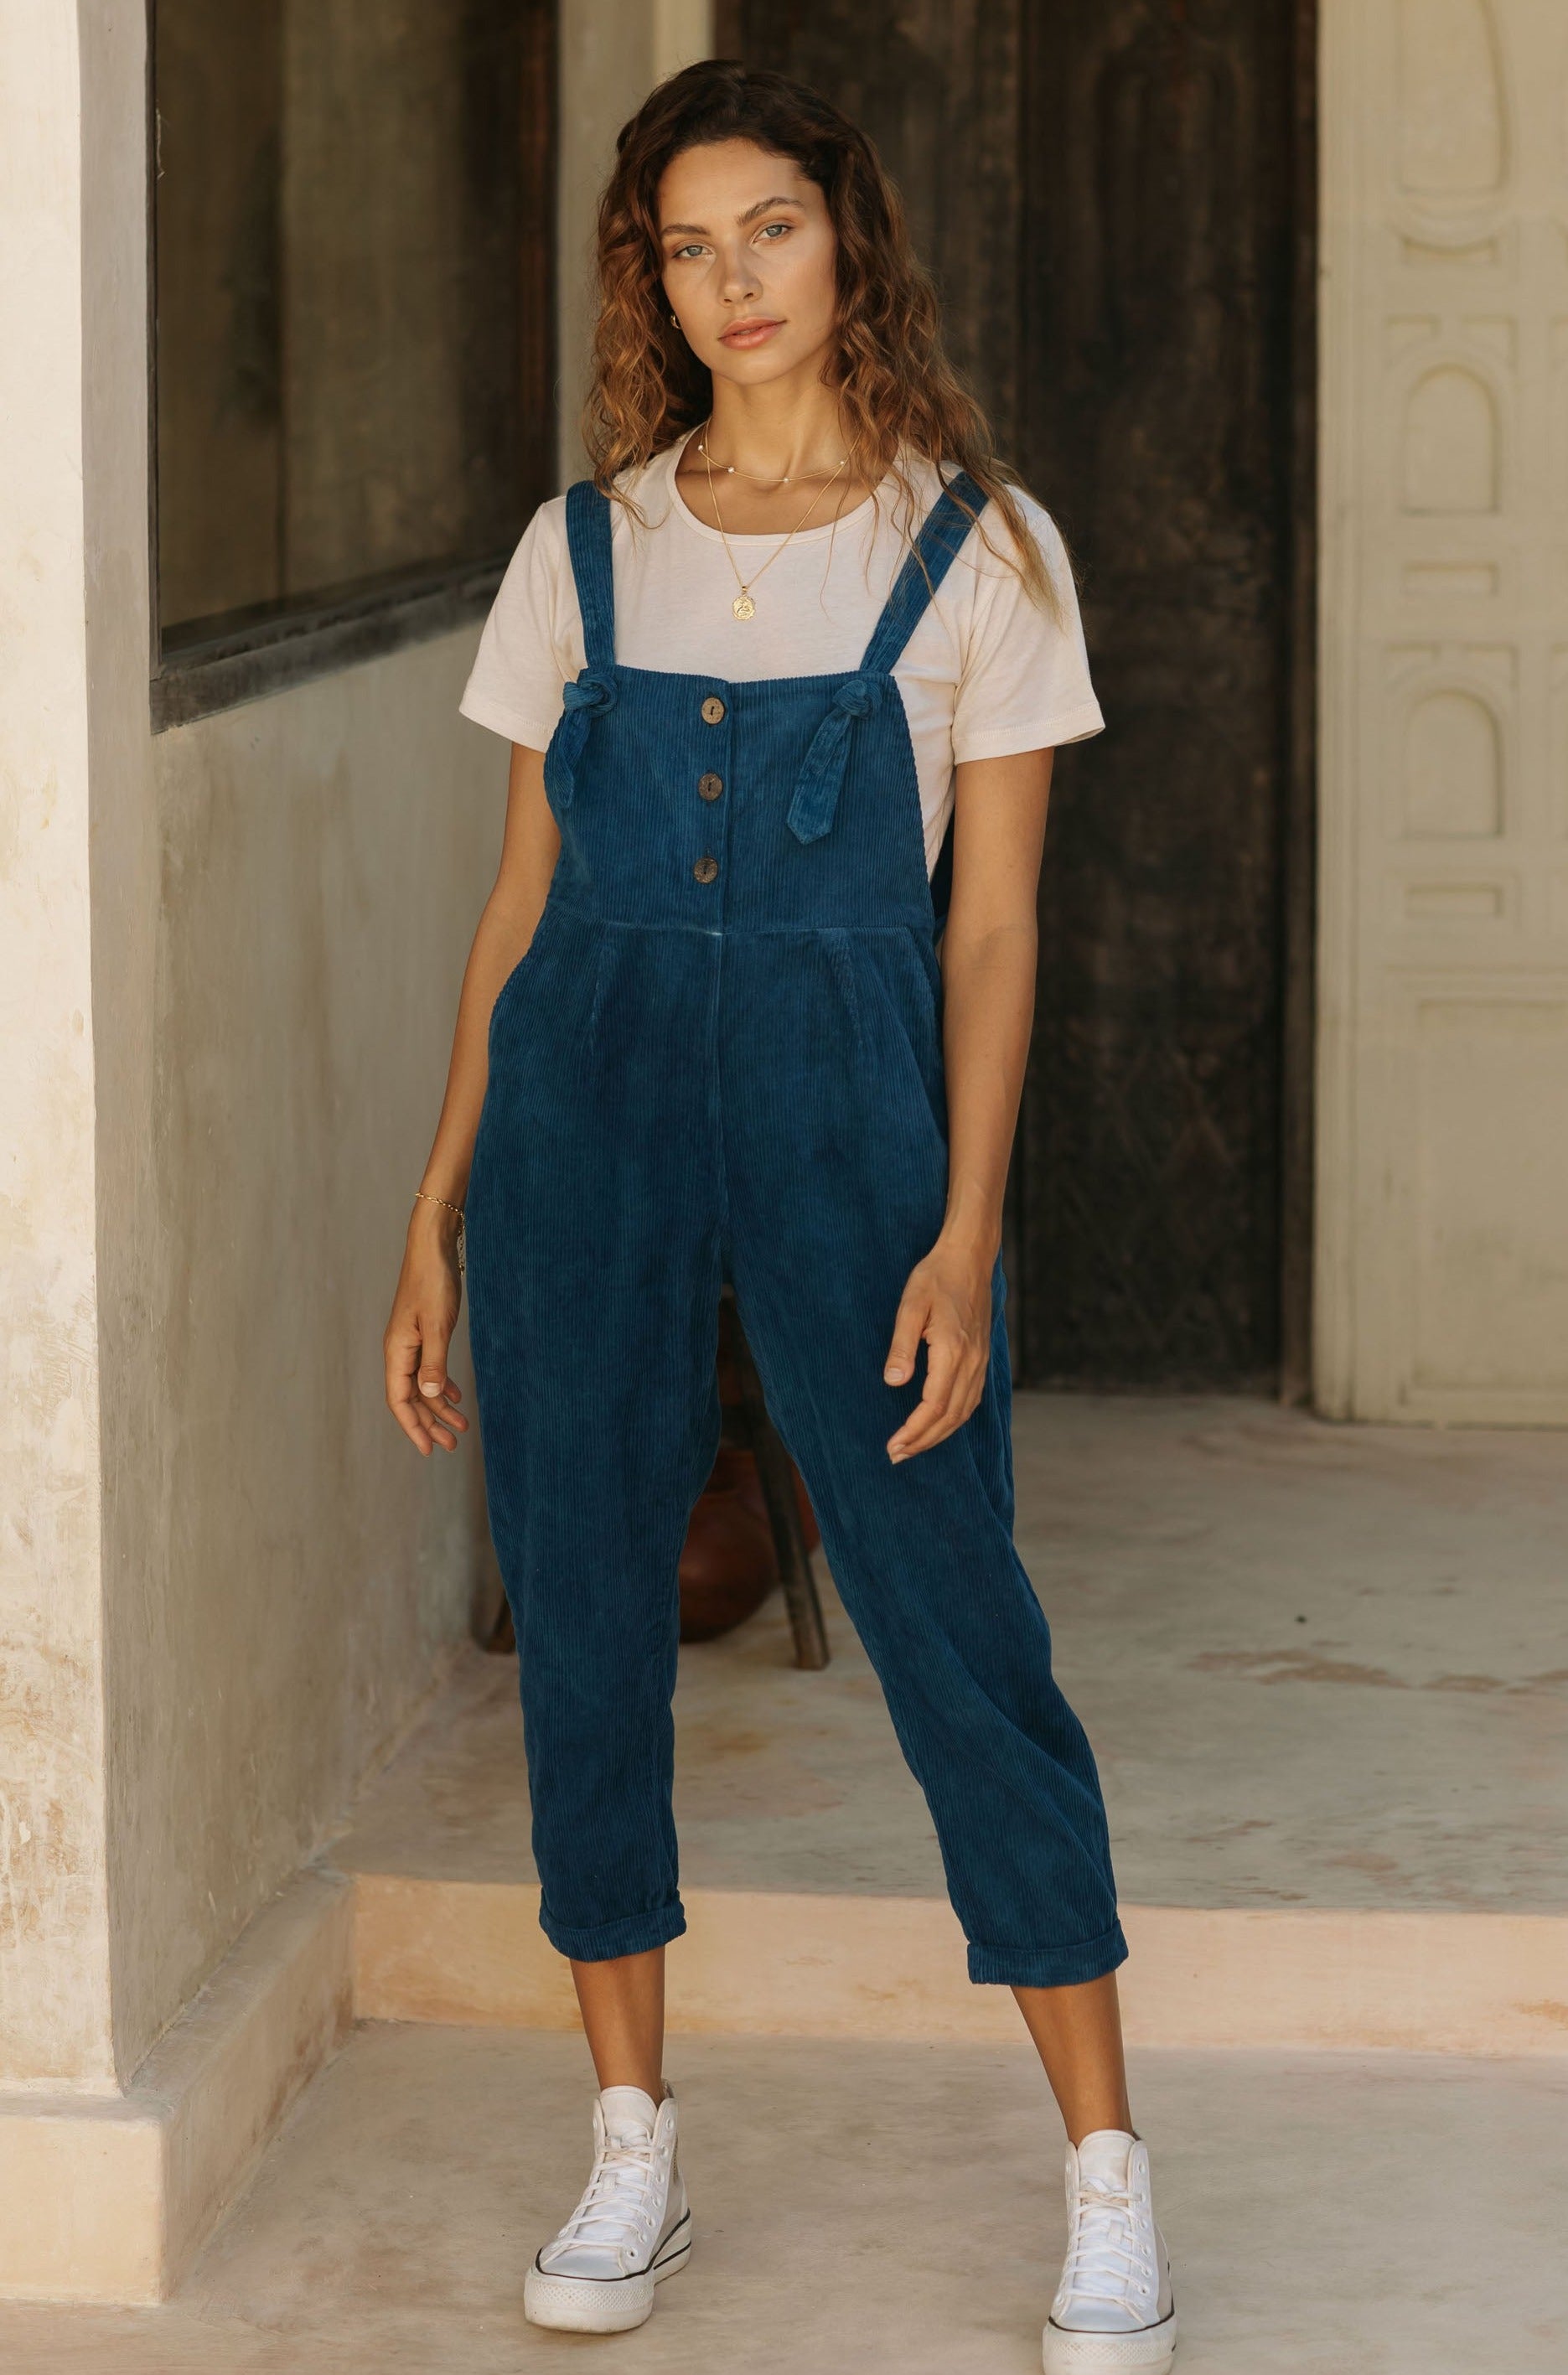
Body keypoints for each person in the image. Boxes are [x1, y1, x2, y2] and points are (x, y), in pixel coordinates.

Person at [382, 58, 1177, 2375]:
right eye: (685, 244)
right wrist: (438, 1207)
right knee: (594, 1603)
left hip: (860, 1125)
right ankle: (630, 2139)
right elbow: (522, 898)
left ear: (853, 244)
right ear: (653, 276)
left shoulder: (982, 551)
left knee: (960, 1626)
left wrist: (966, 1223)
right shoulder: (584, 549)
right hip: (585, 1115)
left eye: (773, 232)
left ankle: (1106, 2180)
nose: (731, 282)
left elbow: (999, 930)